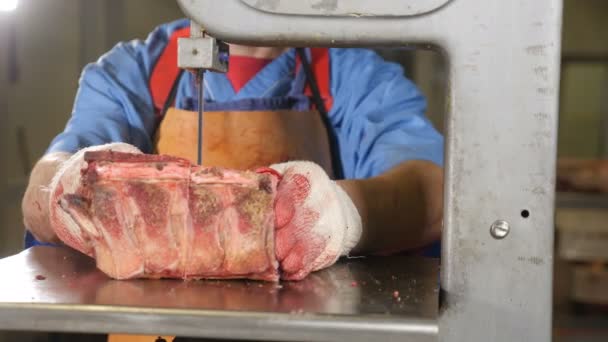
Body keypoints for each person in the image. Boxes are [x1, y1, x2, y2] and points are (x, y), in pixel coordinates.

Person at [22, 18, 444, 281]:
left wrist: (333, 214)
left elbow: (435, 194)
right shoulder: (134, 71)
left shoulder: (354, 77)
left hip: (303, 325)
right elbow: (43, 192)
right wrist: (66, 186)